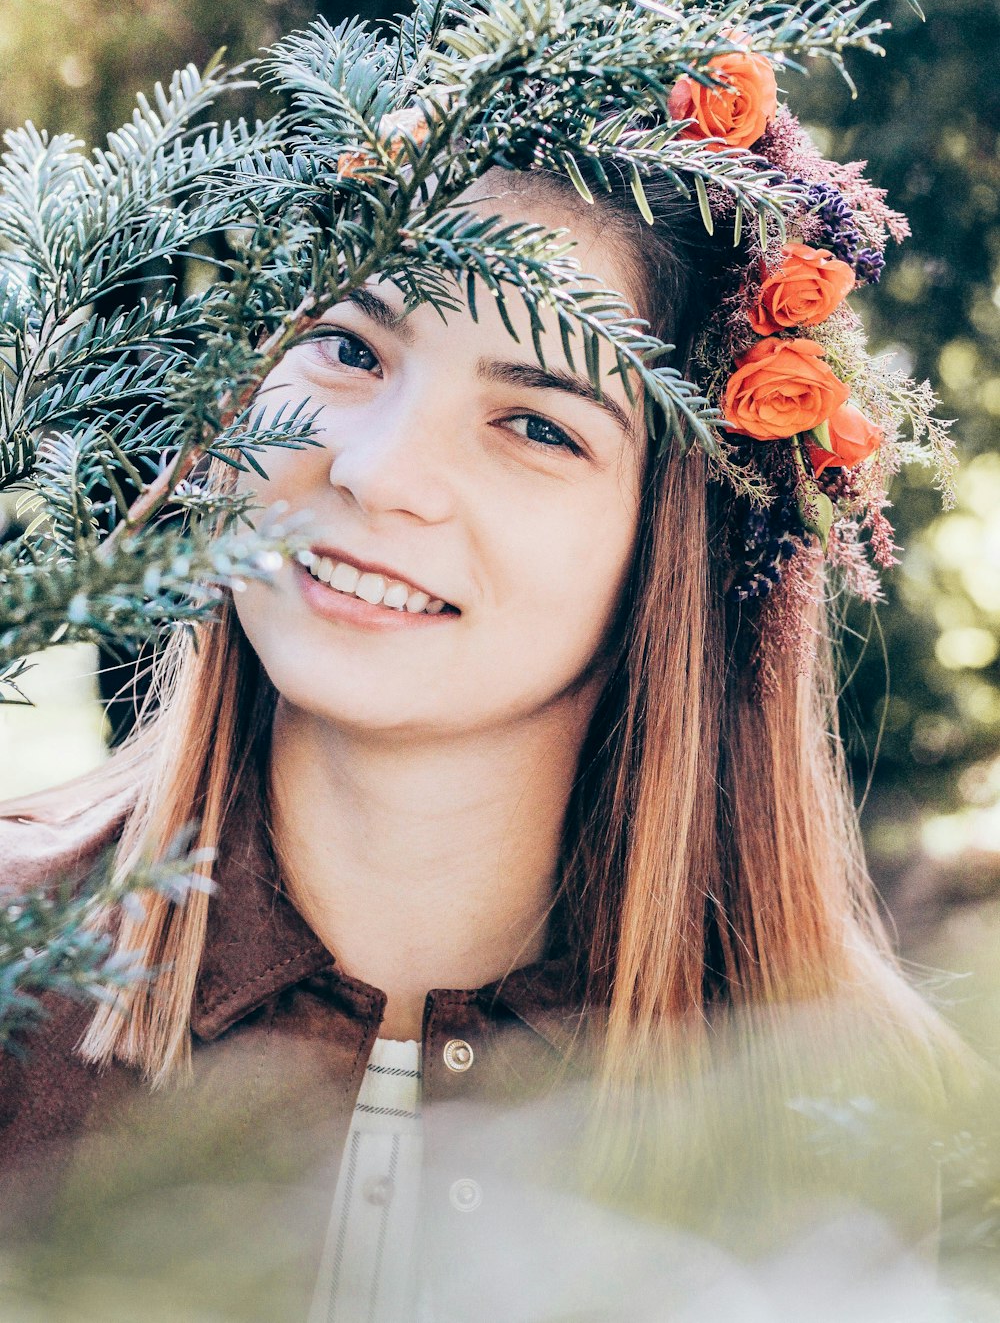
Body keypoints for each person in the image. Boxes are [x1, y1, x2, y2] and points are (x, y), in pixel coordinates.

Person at [0, 161, 970, 1321]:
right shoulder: (19, 972)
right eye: (352, 349)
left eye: (534, 424)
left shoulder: (889, 1135)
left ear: (680, 547)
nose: (375, 471)